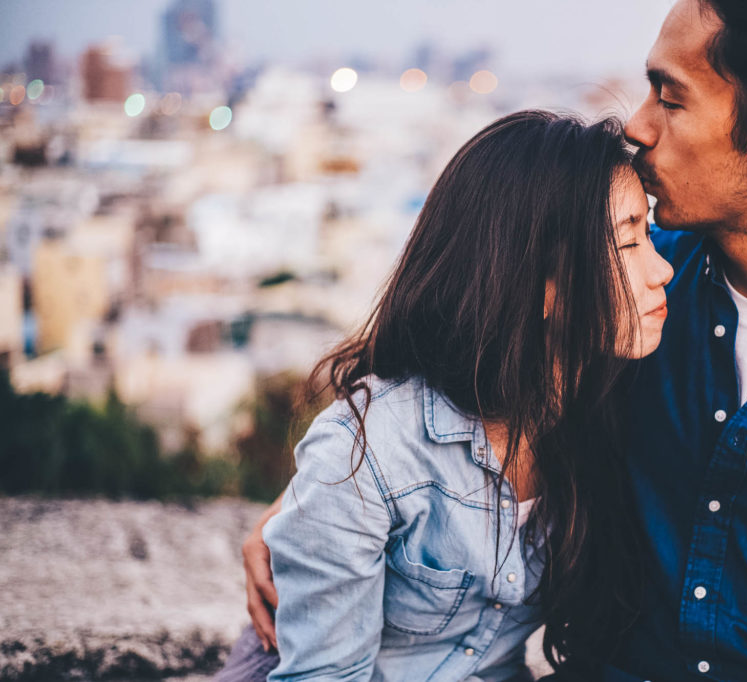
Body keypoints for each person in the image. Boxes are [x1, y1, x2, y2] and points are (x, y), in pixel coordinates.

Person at [239, 0, 747, 679]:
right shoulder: (619, 295)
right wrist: (321, 503)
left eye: (670, 98)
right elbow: (458, 376)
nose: (637, 128)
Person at [216, 110, 674, 681]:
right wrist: (308, 505)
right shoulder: (365, 455)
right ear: (540, 283)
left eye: (648, 233)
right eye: (629, 242)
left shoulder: (596, 413)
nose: (663, 270)